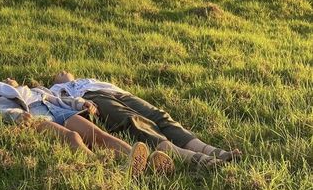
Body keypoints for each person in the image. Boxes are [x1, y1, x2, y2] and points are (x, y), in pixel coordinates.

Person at [0, 78, 173, 176]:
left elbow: (60, 99)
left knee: (97, 134)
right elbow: (2, 109)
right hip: (37, 117)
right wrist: (19, 116)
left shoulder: (34, 90)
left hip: (57, 109)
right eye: (5, 79)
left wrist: (81, 104)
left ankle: (140, 162)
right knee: (72, 137)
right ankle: (104, 170)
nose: (10, 78)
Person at [50, 72, 242, 170]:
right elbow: (59, 107)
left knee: (160, 116)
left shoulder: (90, 79)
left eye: (65, 71)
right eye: (59, 74)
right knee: (134, 120)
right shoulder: (55, 90)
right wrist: (63, 89)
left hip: (119, 94)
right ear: (55, 80)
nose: (63, 72)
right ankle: (187, 156)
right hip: (93, 100)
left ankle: (208, 149)